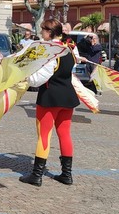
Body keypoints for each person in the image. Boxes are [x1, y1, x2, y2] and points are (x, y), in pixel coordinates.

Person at [20, 19, 79, 187]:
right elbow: (71, 69)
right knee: (65, 134)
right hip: (67, 96)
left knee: (44, 135)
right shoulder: (69, 48)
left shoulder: (50, 51)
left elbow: (39, 79)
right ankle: (67, 175)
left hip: (50, 97)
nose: (41, 33)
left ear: (50, 32)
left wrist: (26, 77)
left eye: (43, 30)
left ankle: (37, 175)